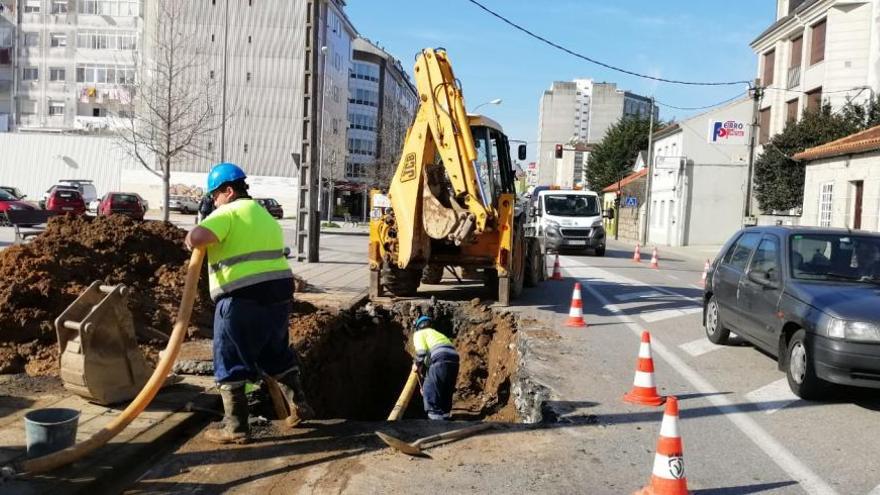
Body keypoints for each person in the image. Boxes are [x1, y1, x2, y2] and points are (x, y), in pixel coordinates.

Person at [185, 162, 314, 444]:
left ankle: (236, 427)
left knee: (230, 358)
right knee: (275, 352)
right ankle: (300, 405)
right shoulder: (264, 215)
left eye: (214, 196)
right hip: (279, 296)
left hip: (242, 298)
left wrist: (204, 219)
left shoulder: (229, 212)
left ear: (228, 191)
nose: (213, 201)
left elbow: (195, 239)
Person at [411, 316, 459, 420]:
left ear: (418, 327)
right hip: (454, 359)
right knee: (445, 388)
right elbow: (431, 368)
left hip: (439, 357)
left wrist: (417, 364)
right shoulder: (437, 335)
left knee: (430, 389)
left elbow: (421, 352)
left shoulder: (419, 334)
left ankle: (435, 421)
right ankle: (445, 415)